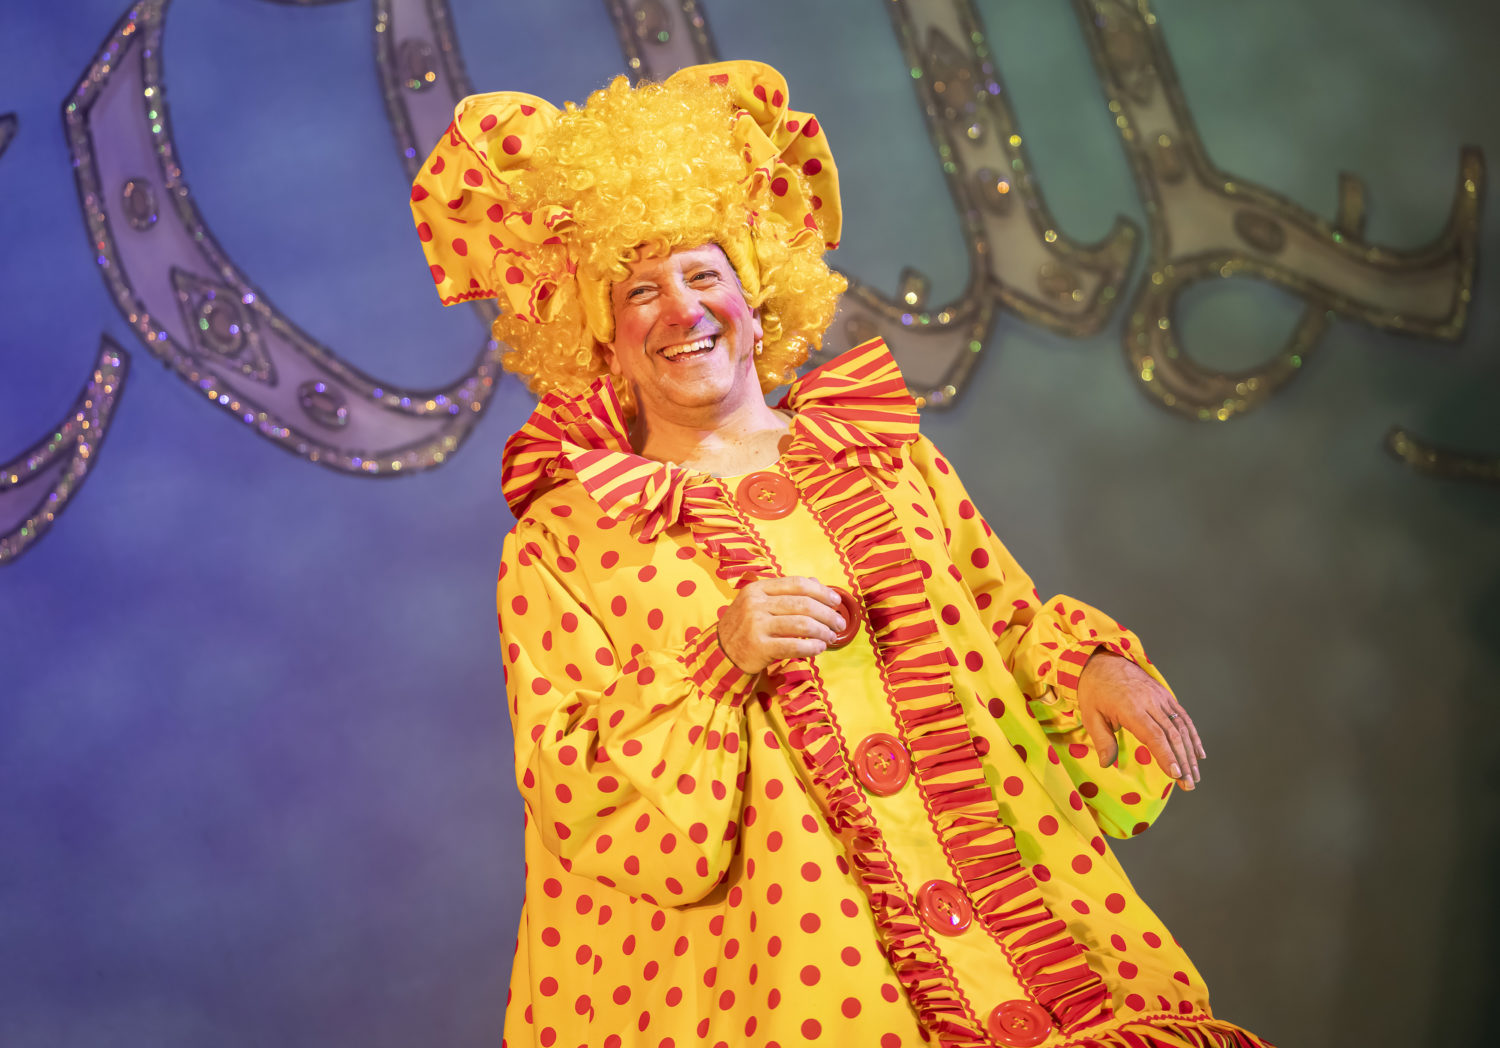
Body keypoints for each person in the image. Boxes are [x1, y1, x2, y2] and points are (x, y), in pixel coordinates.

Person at [412, 61, 1270, 1048]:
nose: (682, 311)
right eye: (640, 289)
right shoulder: (565, 539)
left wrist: (1093, 669)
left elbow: (999, 623)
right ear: (601, 333)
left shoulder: (888, 456)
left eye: (705, 274)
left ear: (756, 291)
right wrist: (720, 660)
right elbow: (573, 787)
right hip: (784, 986)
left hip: (1018, 926)